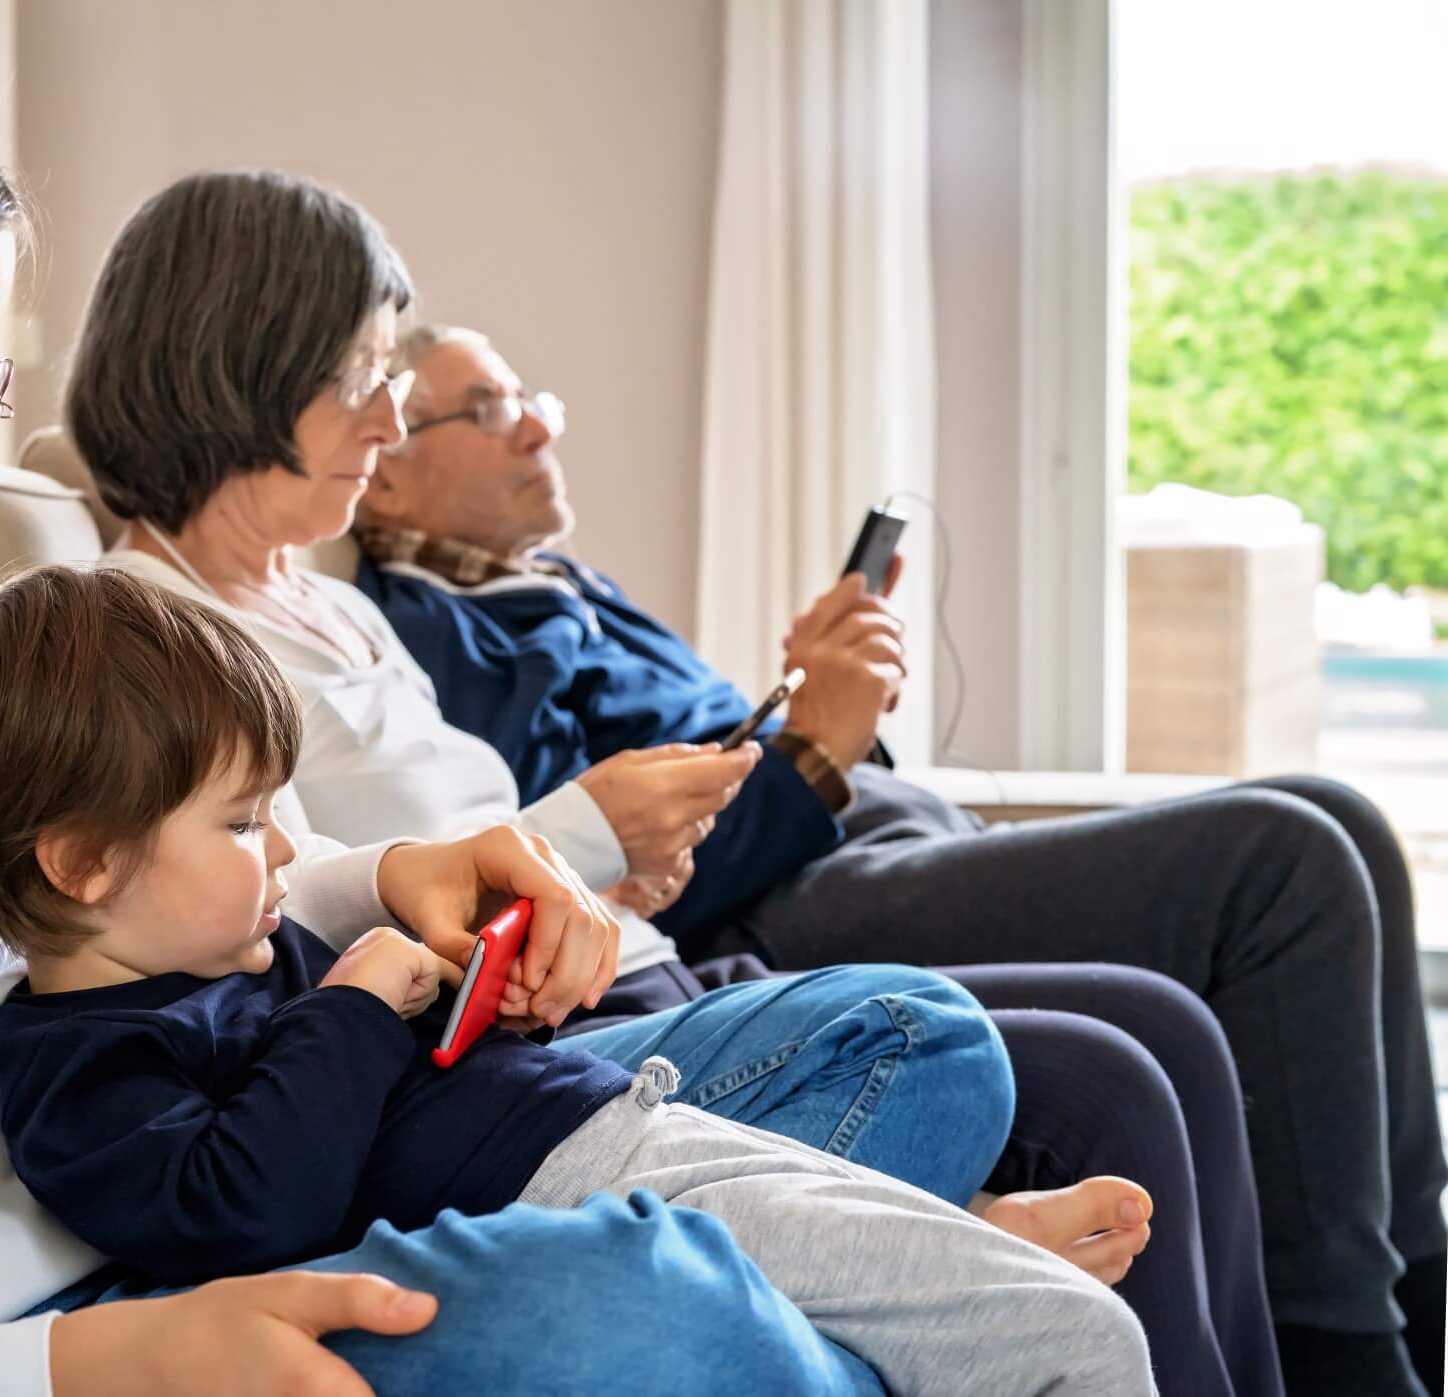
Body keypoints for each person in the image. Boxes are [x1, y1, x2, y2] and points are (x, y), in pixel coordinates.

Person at [0, 32, 957, 1397]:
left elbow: (165, 879)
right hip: (16, 1348)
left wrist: (393, 874)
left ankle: (871, 1311)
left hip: (229, 1182)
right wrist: (77, 1365)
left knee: (900, 1047)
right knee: (650, 1314)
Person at [67, 169, 1260, 1395]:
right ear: (240, 369)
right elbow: (262, 928)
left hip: (580, 985)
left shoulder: (333, 606)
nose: (383, 422)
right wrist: (587, 838)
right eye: (362, 380)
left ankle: (923, 1273)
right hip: (499, 1047)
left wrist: (615, 861)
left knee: (954, 1037)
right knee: (1138, 1030)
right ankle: (941, 1269)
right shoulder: (151, 646)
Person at [353, 319, 1448, 1397]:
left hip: (859, 826)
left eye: (531, 401)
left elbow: (715, 758)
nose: (536, 429)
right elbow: (605, 855)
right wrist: (815, 752)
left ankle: (1412, 1299)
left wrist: (819, 703)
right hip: (778, 895)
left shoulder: (564, 583)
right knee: (1286, 853)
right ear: (389, 479)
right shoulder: (434, 636)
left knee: (1339, 821)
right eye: (489, 408)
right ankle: (1351, 1361)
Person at [0, 562, 1159, 1396]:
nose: (288, 848)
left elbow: (371, 1077)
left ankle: (932, 1249)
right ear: (81, 862)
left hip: (603, 1124)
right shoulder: (78, 1066)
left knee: (978, 1234)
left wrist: (466, 992)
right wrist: (354, 1000)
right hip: (572, 1185)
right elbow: (245, 1207)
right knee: (1068, 1339)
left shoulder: (230, 941)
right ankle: (926, 1266)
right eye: (241, 825)